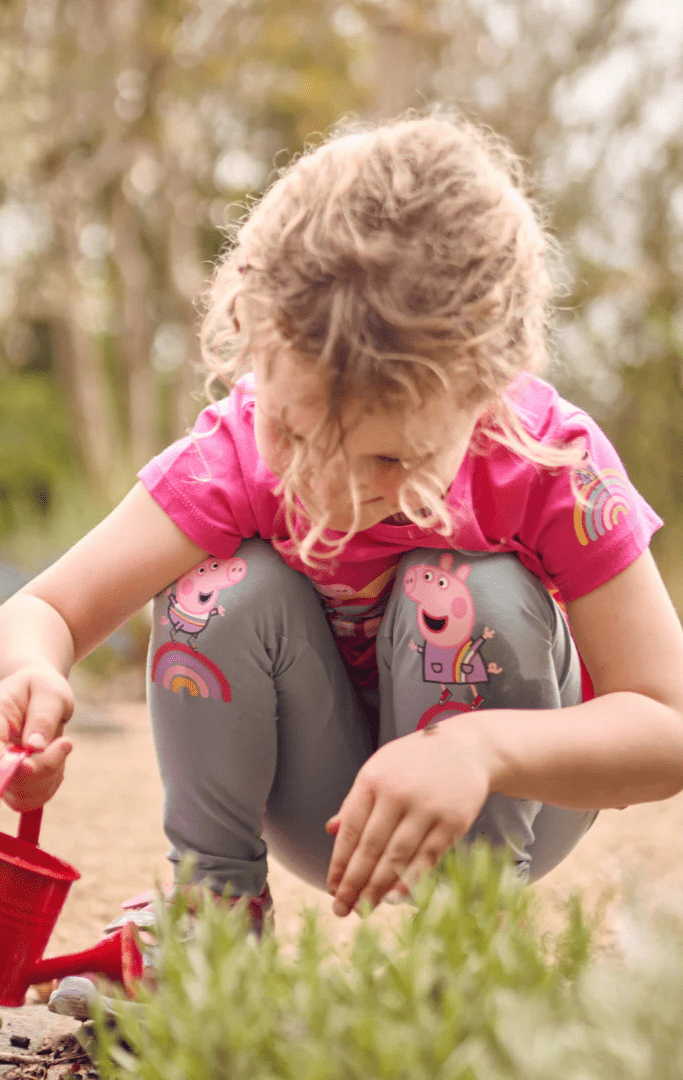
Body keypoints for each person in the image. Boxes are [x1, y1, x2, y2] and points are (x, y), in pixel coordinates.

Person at [2, 114, 683, 976]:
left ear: (484, 388)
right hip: (322, 810)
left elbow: (667, 723)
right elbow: (45, 608)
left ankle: (469, 938)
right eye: (292, 433)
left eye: (389, 458)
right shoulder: (235, 453)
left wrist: (479, 750)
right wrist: (28, 679)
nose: (330, 492)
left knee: (476, 590)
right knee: (215, 587)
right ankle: (211, 924)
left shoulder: (547, 463)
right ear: (255, 346)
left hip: (506, 797)